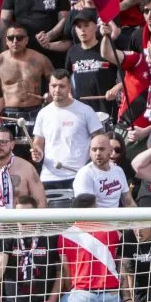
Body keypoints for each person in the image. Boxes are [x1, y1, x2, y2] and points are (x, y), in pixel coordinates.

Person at [31, 71, 104, 206]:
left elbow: (100, 140)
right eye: (53, 86)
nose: (57, 90)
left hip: (79, 175)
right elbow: (38, 142)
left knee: (80, 218)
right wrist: (37, 151)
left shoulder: (85, 111)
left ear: (70, 87)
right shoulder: (43, 113)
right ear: (49, 87)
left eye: (62, 86)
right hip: (49, 176)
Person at [0, 0, 70, 65]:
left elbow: (64, 20)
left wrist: (49, 36)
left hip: (51, 55)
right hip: (21, 56)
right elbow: (3, 24)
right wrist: (4, 54)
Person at [72, 134, 136, 208]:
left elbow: (128, 201)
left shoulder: (118, 171)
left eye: (102, 149)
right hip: (96, 215)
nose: (98, 153)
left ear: (110, 151)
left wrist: (138, 215)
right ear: (90, 152)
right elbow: (87, 209)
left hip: (116, 214)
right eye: (94, 150)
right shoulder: (85, 174)